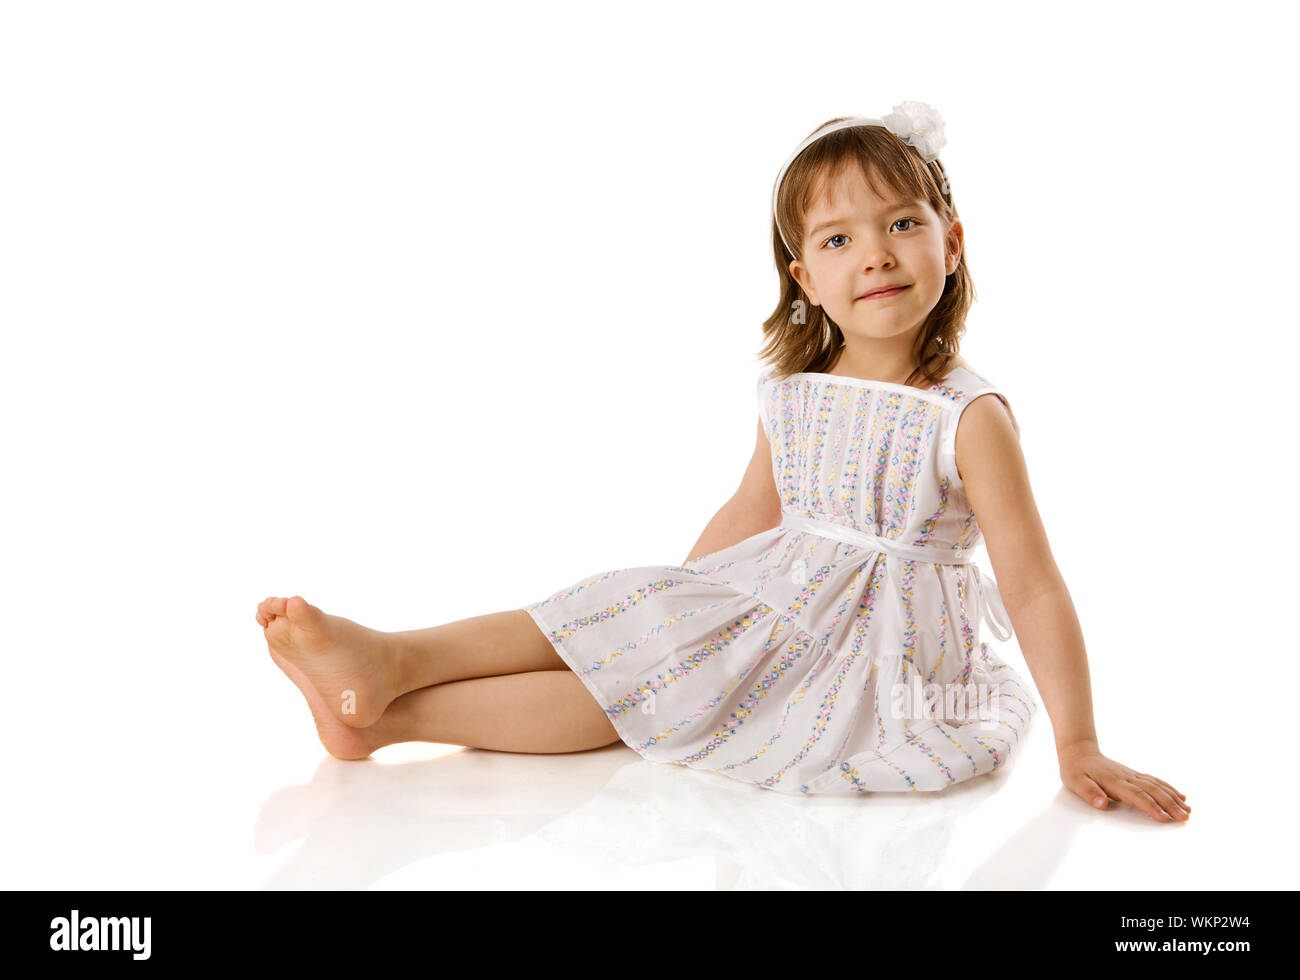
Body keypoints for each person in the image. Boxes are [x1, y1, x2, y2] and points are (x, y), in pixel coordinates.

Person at [256, 101, 1189, 822]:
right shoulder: (795, 388)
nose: (876, 255)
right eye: (839, 239)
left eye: (902, 224)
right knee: (634, 623)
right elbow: (755, 508)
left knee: (661, 689)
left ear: (952, 238)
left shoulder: (966, 416)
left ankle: (392, 717)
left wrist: (1082, 741)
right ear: (805, 279)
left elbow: (1031, 587)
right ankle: (396, 658)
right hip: (780, 591)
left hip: (877, 649)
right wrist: (671, 606)